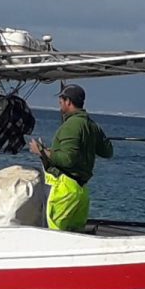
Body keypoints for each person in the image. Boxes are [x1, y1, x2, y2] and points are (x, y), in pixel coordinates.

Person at [28, 83, 113, 231]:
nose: (59, 103)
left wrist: (41, 151)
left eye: (61, 100)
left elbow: (68, 160)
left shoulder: (71, 125)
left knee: (54, 234)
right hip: (81, 192)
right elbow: (108, 151)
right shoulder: (91, 125)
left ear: (68, 101)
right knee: (75, 235)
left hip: (65, 190)